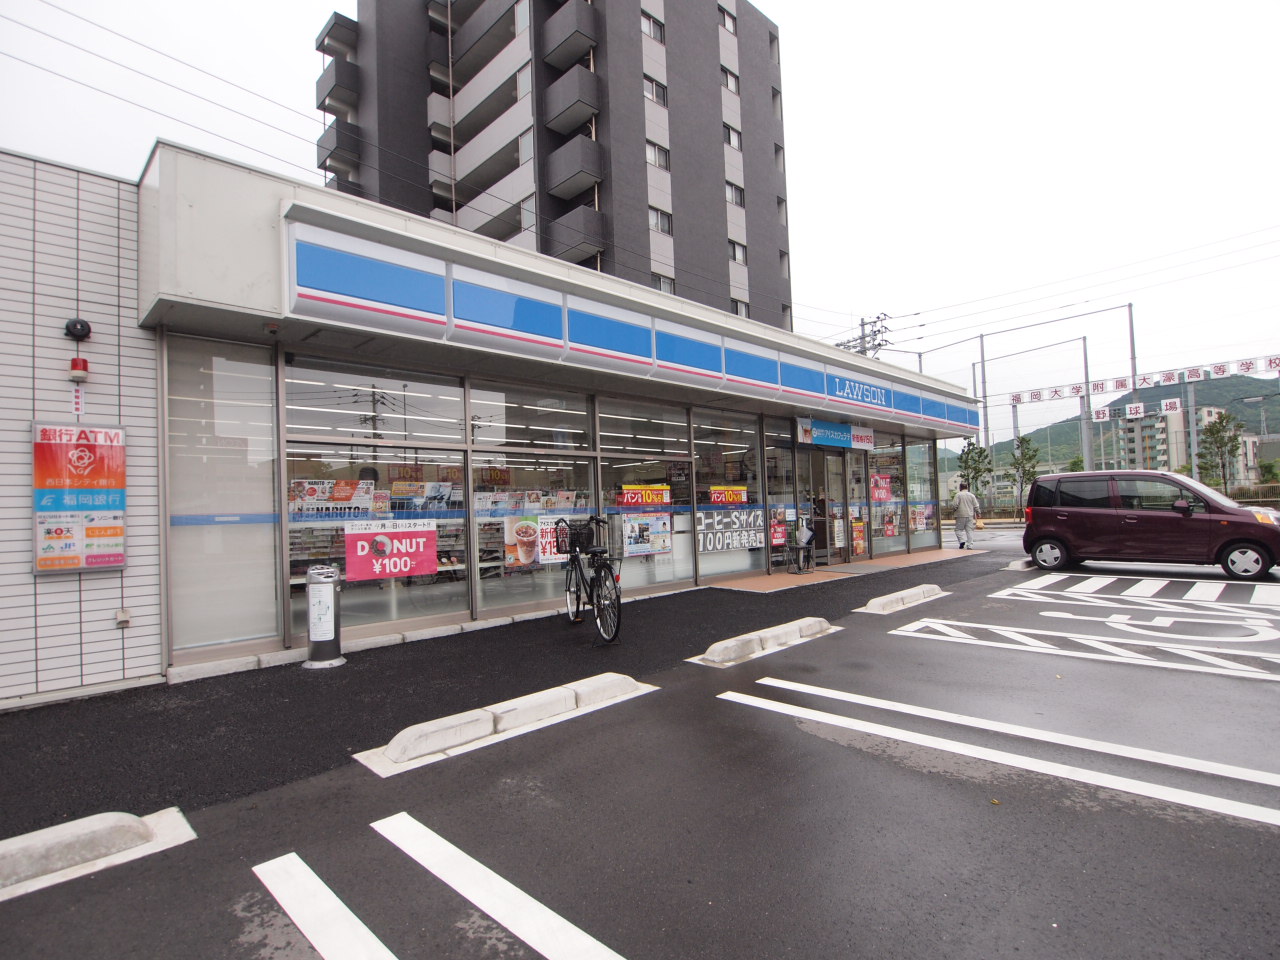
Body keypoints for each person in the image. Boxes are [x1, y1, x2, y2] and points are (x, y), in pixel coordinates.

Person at [953, 482, 981, 549]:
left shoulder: (958, 495)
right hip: (970, 515)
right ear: (967, 487)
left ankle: (962, 541)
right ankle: (970, 545)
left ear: (960, 487)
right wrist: (978, 513)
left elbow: (955, 505)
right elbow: (976, 505)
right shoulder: (971, 495)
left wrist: (954, 511)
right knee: (969, 530)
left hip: (960, 515)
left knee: (958, 530)